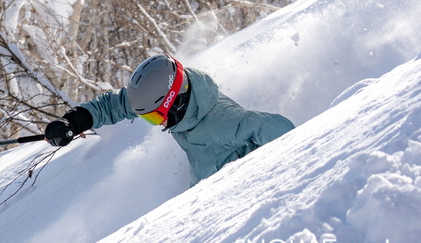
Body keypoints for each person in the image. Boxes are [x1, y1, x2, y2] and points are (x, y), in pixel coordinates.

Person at [43, 55, 296, 183]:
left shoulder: (224, 122)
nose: (158, 124)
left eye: (155, 118)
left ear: (174, 102)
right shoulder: (185, 109)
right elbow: (117, 104)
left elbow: (282, 131)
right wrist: (74, 122)